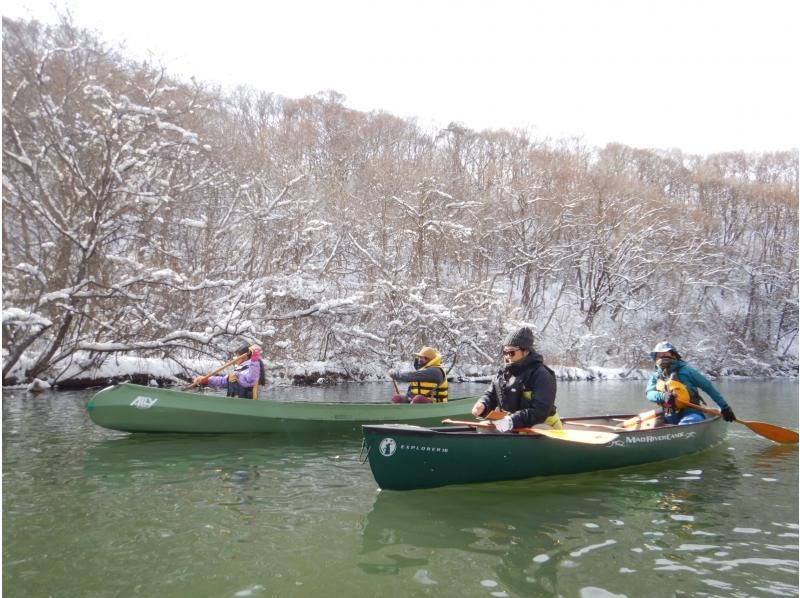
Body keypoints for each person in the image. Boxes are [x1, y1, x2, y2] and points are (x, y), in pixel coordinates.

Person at [471, 326, 562, 432]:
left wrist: (511, 421)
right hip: (512, 423)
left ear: (526, 351)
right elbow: (491, 395)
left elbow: (540, 411)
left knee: (536, 430)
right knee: (483, 427)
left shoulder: (542, 375)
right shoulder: (503, 373)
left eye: (511, 352)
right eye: (505, 352)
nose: (507, 356)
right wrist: (483, 404)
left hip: (542, 425)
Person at [645, 341, 736, 425]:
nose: (662, 358)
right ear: (655, 358)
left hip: (691, 412)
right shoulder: (655, 376)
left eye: (665, 355)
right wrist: (663, 396)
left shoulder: (687, 371)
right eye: (659, 356)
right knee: (653, 423)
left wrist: (724, 407)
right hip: (668, 413)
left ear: (674, 356)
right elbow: (649, 394)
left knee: (689, 421)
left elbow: (709, 388)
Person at [194, 344, 265, 399]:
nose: (235, 359)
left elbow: (251, 378)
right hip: (235, 402)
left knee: (233, 376)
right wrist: (207, 379)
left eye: (237, 356)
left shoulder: (253, 368)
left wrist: (254, 358)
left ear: (245, 357)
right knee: (231, 377)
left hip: (246, 402)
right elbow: (223, 381)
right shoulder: (240, 369)